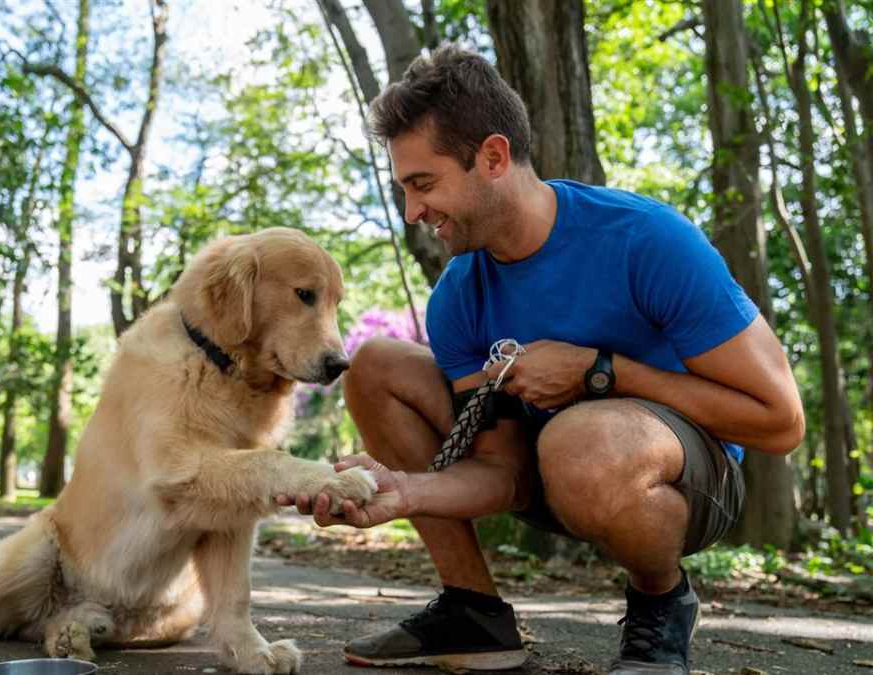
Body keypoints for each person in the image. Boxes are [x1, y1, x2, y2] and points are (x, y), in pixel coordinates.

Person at [275, 45, 803, 675]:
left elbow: (780, 423)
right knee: (377, 365)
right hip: (553, 472)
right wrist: (404, 491)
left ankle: (661, 602)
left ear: (493, 157)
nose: (413, 212)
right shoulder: (459, 295)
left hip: (688, 483)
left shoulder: (646, 241)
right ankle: (474, 613)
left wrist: (603, 372)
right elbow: (507, 476)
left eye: (424, 184)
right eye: (405, 190)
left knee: (581, 440)